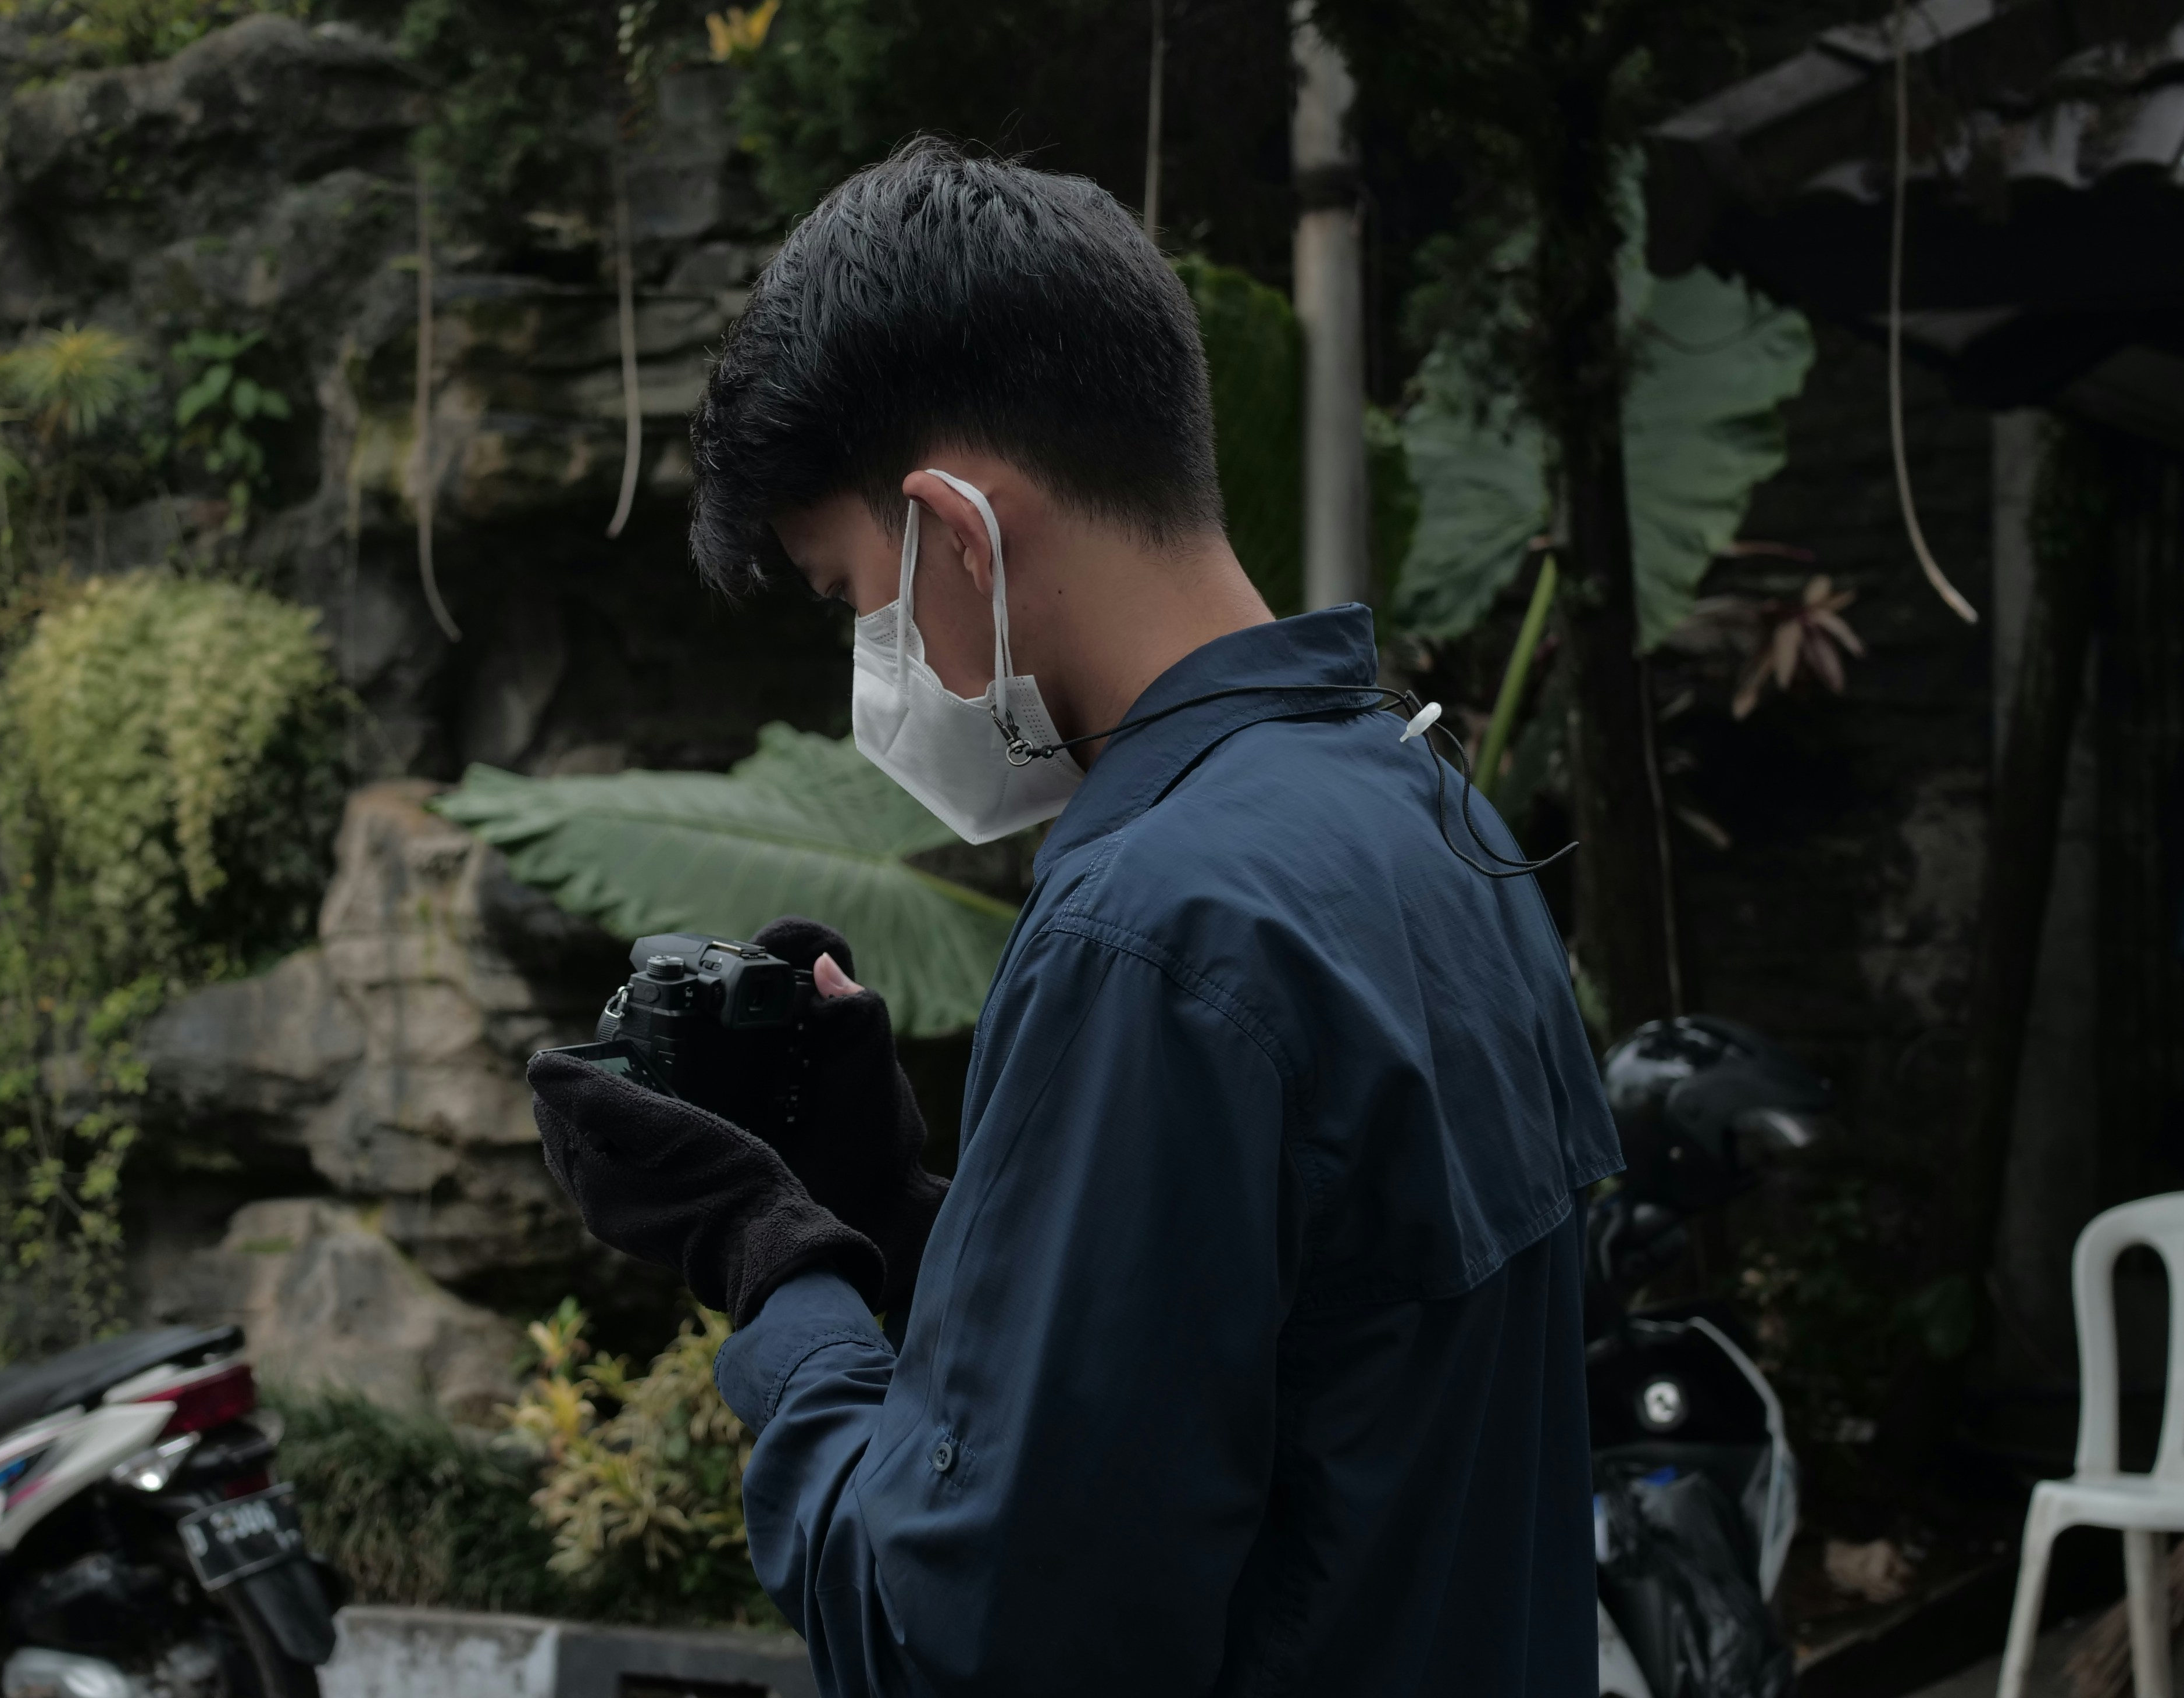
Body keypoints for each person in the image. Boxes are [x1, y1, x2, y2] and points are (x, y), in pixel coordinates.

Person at [523, 138, 1622, 1696]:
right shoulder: (1430, 814)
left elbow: (960, 1641)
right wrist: (901, 1218)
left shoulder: (1151, 927)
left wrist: (770, 1263)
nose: (871, 676)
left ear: (958, 535)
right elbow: (1302, 1396)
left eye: (854, 601)